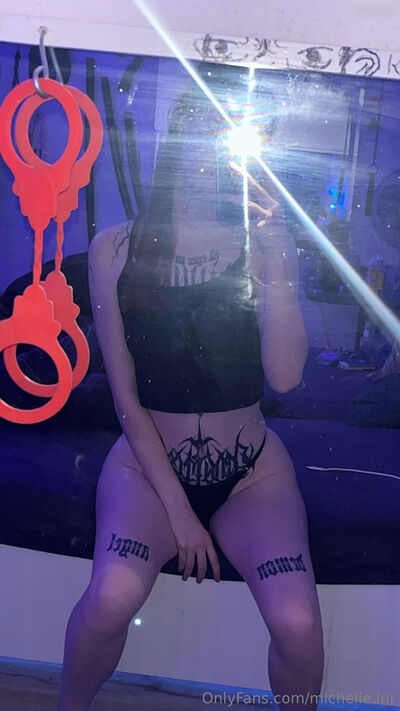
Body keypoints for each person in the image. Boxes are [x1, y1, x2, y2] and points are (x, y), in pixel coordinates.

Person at [57, 65, 324, 711]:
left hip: (252, 474)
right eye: (198, 136)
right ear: (175, 143)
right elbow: (125, 397)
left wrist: (280, 257)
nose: (207, 160)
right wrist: (179, 513)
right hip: (146, 473)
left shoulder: (264, 243)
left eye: (224, 142)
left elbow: (286, 377)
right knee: (109, 599)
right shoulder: (116, 248)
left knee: (298, 627)